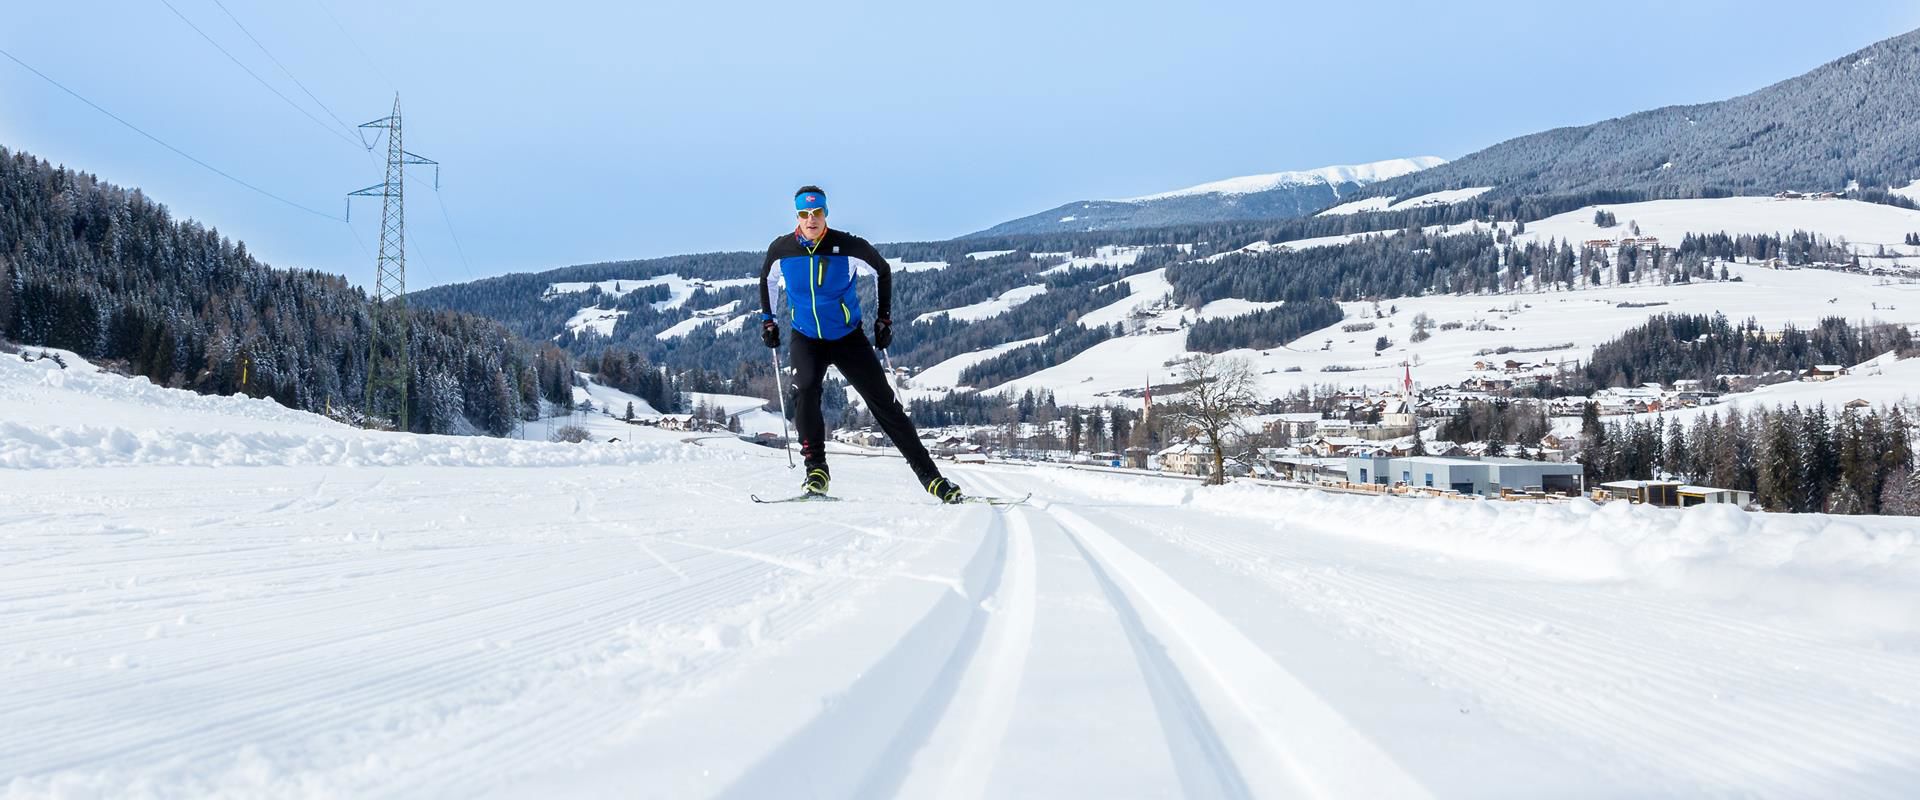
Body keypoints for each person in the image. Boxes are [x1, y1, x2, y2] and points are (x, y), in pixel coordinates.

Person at [758, 185, 964, 503]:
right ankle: (816, 471)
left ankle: (932, 478)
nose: (811, 219)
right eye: (804, 214)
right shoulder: (782, 249)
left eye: (817, 213)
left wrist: (884, 320)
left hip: (846, 337)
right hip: (806, 336)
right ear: (796, 215)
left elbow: (882, 270)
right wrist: (768, 320)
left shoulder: (848, 246)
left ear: (825, 213)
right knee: (806, 389)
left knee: (884, 403)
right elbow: (767, 279)